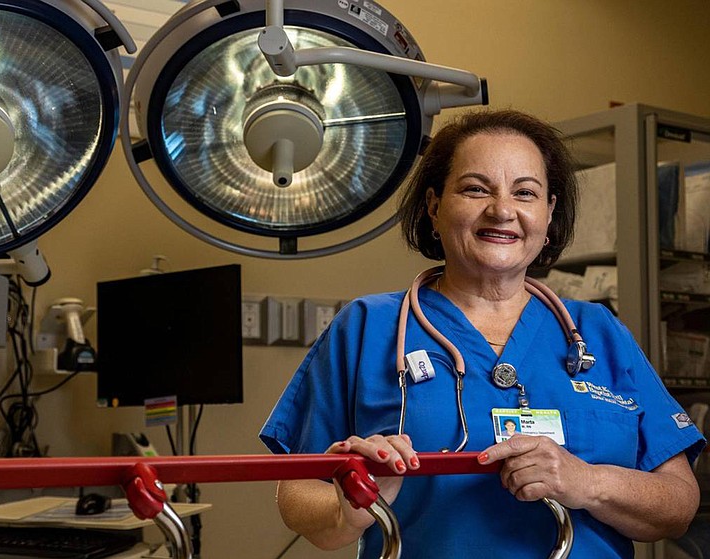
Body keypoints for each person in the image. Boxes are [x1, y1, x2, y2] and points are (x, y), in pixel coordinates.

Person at [259, 109, 704, 558]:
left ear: (548, 215)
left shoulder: (598, 332)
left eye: (525, 192)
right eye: (475, 189)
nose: (503, 211)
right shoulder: (366, 328)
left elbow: (678, 504)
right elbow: (296, 494)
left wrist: (587, 482)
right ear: (434, 206)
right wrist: (355, 502)